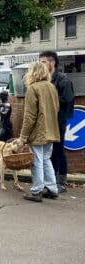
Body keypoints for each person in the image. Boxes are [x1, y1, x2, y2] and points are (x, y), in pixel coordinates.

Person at [18, 61, 60, 202]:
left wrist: (23, 136)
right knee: (46, 159)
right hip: (51, 129)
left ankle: (36, 191)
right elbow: (57, 108)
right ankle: (52, 188)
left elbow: (29, 116)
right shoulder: (51, 87)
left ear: (32, 72)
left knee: (37, 161)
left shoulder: (33, 88)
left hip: (38, 131)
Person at [39, 51, 74, 193]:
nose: (40, 65)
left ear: (52, 63)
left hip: (58, 121)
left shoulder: (63, 80)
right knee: (48, 152)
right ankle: (50, 181)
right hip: (46, 121)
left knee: (58, 149)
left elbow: (66, 100)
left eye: (43, 62)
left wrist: (48, 100)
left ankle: (61, 181)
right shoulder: (43, 79)